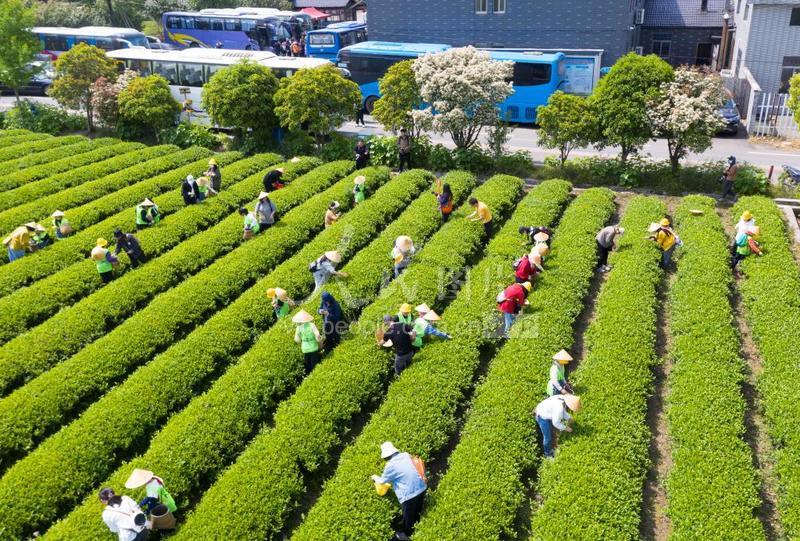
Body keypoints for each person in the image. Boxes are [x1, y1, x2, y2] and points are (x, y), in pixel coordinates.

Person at [371, 441, 427, 541]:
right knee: (417, 513)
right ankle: (419, 528)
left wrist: (374, 477)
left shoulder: (390, 466)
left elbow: (383, 481)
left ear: (386, 456)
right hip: (421, 487)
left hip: (408, 496)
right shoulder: (405, 455)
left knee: (409, 523)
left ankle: (408, 535)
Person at [535, 394, 581, 458]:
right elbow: (556, 423)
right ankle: (548, 454)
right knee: (547, 436)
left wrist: (569, 418)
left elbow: (563, 412)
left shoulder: (561, 398)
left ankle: (552, 448)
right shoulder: (559, 407)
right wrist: (566, 428)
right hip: (541, 415)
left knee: (552, 432)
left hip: (545, 410)